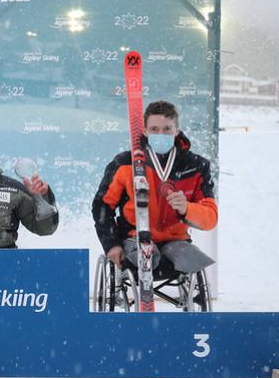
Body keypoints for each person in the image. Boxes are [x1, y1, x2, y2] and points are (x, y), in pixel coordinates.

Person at [92, 100, 217, 273]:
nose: (161, 134)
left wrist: (187, 209)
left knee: (193, 260)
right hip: (135, 239)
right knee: (146, 258)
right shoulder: (125, 164)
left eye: (167, 129)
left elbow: (210, 218)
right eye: (154, 130)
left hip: (176, 241)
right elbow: (102, 206)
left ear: (176, 131)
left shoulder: (196, 166)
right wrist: (111, 244)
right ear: (145, 131)